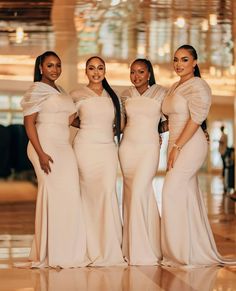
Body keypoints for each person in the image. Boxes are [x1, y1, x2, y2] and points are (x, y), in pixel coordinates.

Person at [161, 44, 235, 267]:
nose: (178, 64)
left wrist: (177, 147)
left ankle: (179, 252)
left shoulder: (199, 86)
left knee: (170, 190)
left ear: (194, 62)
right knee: (187, 196)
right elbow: (171, 119)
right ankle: (190, 250)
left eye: (184, 59)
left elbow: (195, 120)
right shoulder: (174, 87)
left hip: (189, 144)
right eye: (176, 59)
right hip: (175, 142)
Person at [21, 51, 89, 268]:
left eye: (58, 65)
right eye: (50, 65)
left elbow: (67, 119)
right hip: (45, 146)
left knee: (70, 193)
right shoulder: (36, 90)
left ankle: (68, 248)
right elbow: (29, 124)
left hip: (63, 146)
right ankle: (50, 251)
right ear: (41, 67)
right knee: (52, 194)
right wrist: (40, 153)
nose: (55, 69)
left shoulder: (60, 90)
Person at [70, 56, 126, 266]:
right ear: (86, 72)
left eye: (100, 68)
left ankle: (108, 246)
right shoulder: (76, 94)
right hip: (84, 149)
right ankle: (88, 246)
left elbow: (121, 125)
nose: (96, 72)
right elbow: (67, 118)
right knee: (87, 196)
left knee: (106, 192)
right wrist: (86, 125)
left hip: (107, 151)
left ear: (105, 70)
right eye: (91, 68)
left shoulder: (114, 96)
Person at [119, 58, 167, 265]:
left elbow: (171, 119)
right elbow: (121, 124)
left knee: (139, 191)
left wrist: (156, 132)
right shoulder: (125, 95)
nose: (136, 76)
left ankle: (141, 251)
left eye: (141, 72)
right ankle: (140, 246)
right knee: (135, 196)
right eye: (132, 72)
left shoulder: (161, 93)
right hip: (127, 148)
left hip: (149, 149)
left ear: (149, 73)